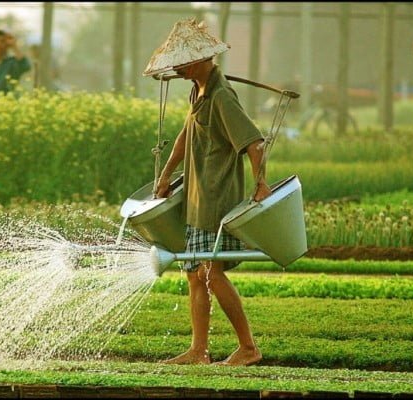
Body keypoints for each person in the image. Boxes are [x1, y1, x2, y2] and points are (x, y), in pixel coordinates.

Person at [144, 18, 271, 366]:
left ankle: (248, 348)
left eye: (185, 61)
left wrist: (261, 184)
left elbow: (255, 143)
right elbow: (187, 133)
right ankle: (198, 350)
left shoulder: (221, 95)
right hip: (197, 200)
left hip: (217, 200)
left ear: (202, 58)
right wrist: (167, 173)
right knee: (193, 274)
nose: (180, 67)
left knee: (211, 273)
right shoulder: (198, 90)